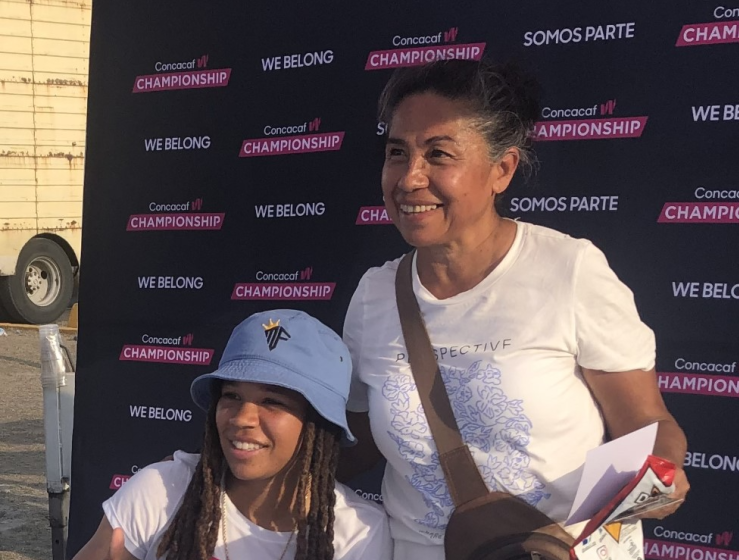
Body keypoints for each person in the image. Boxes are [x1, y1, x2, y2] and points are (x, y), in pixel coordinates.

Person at [339, 59, 689, 560]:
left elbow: (647, 424)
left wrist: (658, 476)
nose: (410, 178)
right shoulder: (374, 295)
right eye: (397, 153)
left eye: (438, 154)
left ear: (501, 169)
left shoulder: (569, 270)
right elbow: (361, 443)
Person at [73, 309, 393, 560]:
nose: (242, 418)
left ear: (318, 423)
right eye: (232, 396)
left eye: (272, 401)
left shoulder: (358, 535)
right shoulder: (159, 492)